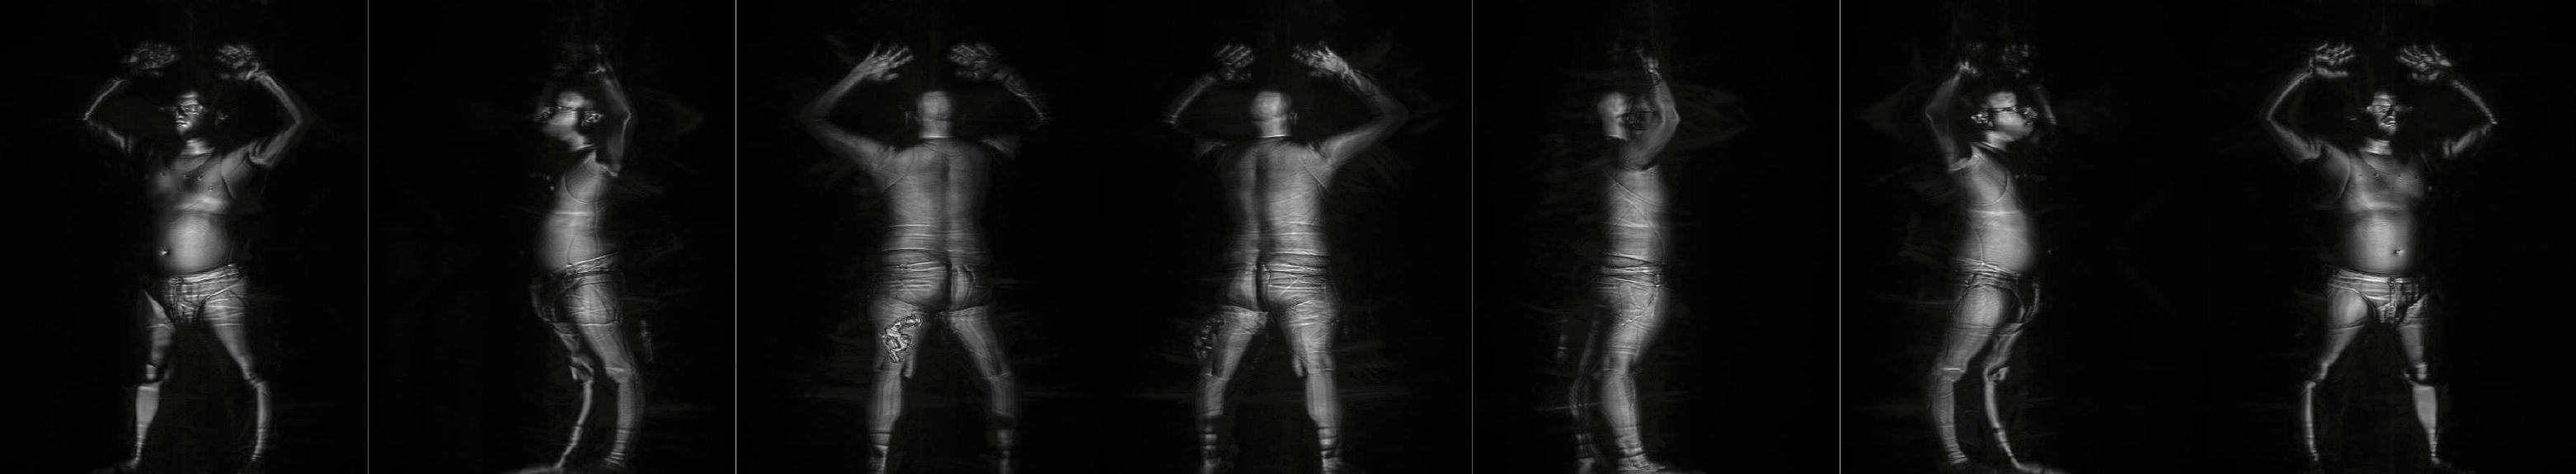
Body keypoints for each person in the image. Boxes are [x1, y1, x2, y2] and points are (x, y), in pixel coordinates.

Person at [801, 41, 1051, 474]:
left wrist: (859, 75)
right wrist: (1003, 73)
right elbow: (1043, 118)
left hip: (910, 282)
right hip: (967, 281)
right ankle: (1006, 460)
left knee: (892, 371)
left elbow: (813, 119)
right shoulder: (984, 154)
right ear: (960, 119)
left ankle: (880, 466)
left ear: (913, 119)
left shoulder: (890, 160)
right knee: (996, 371)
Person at [1165, 42, 1405, 474]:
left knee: (1216, 375)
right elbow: (1392, 116)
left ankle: (1209, 461)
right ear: (1291, 118)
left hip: (1243, 280)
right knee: (1318, 369)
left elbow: (1172, 121)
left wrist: (1213, 78)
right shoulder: (1316, 156)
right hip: (1300, 278)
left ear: (1252, 120)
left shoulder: (1227, 157)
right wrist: (1343, 71)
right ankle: (1331, 463)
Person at [2259, 42, 2493, 474]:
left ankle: (2434, 459)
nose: (2391, 113)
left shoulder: (2422, 162)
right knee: (2323, 371)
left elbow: (2489, 126)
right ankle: (2312, 461)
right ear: (2359, 116)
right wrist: (2305, 73)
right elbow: (2271, 122)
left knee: (2423, 373)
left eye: (2395, 107)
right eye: (2380, 107)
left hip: (2413, 291)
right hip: (2354, 286)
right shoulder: (2340, 161)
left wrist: (2452, 79)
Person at [82, 40, 313, 474]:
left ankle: (257, 461)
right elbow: (88, 121)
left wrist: (260, 76)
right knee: (150, 373)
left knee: (246, 371)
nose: (181, 112)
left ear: (215, 116)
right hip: (160, 289)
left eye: (192, 107)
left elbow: (300, 123)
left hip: (218, 285)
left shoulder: (234, 161)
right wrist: (124, 77)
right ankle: (137, 459)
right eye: (178, 107)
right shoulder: (152, 158)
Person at [1919, 43, 2068, 474]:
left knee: (1997, 376)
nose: (2026, 113)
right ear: (1986, 119)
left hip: (2022, 287)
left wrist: (2031, 84)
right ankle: (1956, 461)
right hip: (1986, 281)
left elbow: (2049, 126)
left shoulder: (2019, 159)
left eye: (2023, 107)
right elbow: (1934, 115)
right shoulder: (1969, 157)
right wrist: (1959, 74)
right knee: (1951, 369)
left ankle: (2009, 461)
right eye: (2013, 108)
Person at [1558, 47, 1698, 474]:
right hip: (1634, 285)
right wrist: (1654, 73)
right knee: (1615, 369)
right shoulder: (1628, 156)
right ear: (1622, 119)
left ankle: (1589, 454)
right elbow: (1670, 119)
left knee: (1593, 369)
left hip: (1610, 279)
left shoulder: (1604, 161)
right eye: (1633, 109)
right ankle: (1632, 461)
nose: (1643, 112)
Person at [523, 43, 646, 474]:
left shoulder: (600, 159)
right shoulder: (558, 157)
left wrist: (604, 75)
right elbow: (539, 117)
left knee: (620, 371)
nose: (553, 113)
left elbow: (624, 117)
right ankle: (570, 458)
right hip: (555, 285)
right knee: (582, 376)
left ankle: (618, 461)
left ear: (587, 118)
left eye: (565, 108)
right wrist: (560, 77)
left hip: (588, 280)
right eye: (557, 107)